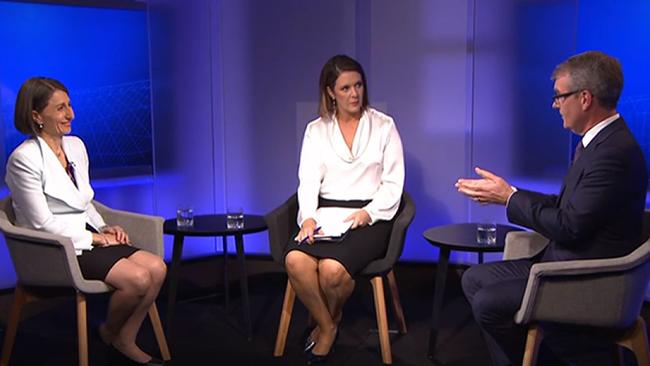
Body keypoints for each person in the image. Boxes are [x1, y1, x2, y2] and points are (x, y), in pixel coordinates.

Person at [455, 51, 648, 366]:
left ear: (585, 98)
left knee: (490, 303)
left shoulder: (613, 154)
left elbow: (569, 226)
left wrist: (508, 199)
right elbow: (565, 208)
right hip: (562, 262)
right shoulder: (596, 143)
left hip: (589, 280)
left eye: (559, 96)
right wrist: (511, 193)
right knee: (473, 279)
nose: (555, 105)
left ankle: (544, 358)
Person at [5, 77, 166, 366]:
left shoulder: (75, 146)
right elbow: (41, 223)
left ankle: (121, 336)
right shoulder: (24, 159)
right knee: (138, 279)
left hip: (87, 236)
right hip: (55, 249)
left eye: (70, 105)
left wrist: (103, 226)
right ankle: (111, 331)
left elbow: (82, 201)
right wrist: (95, 239)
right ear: (36, 116)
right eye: (61, 109)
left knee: (157, 268)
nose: (71, 115)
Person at [284, 55, 405, 364]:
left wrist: (370, 212)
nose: (354, 94)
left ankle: (326, 324)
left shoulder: (383, 125)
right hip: (326, 215)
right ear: (330, 92)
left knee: (332, 271)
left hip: (370, 218)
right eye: (346, 87)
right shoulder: (316, 130)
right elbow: (308, 180)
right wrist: (308, 216)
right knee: (296, 260)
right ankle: (328, 326)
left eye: (359, 85)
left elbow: (393, 183)